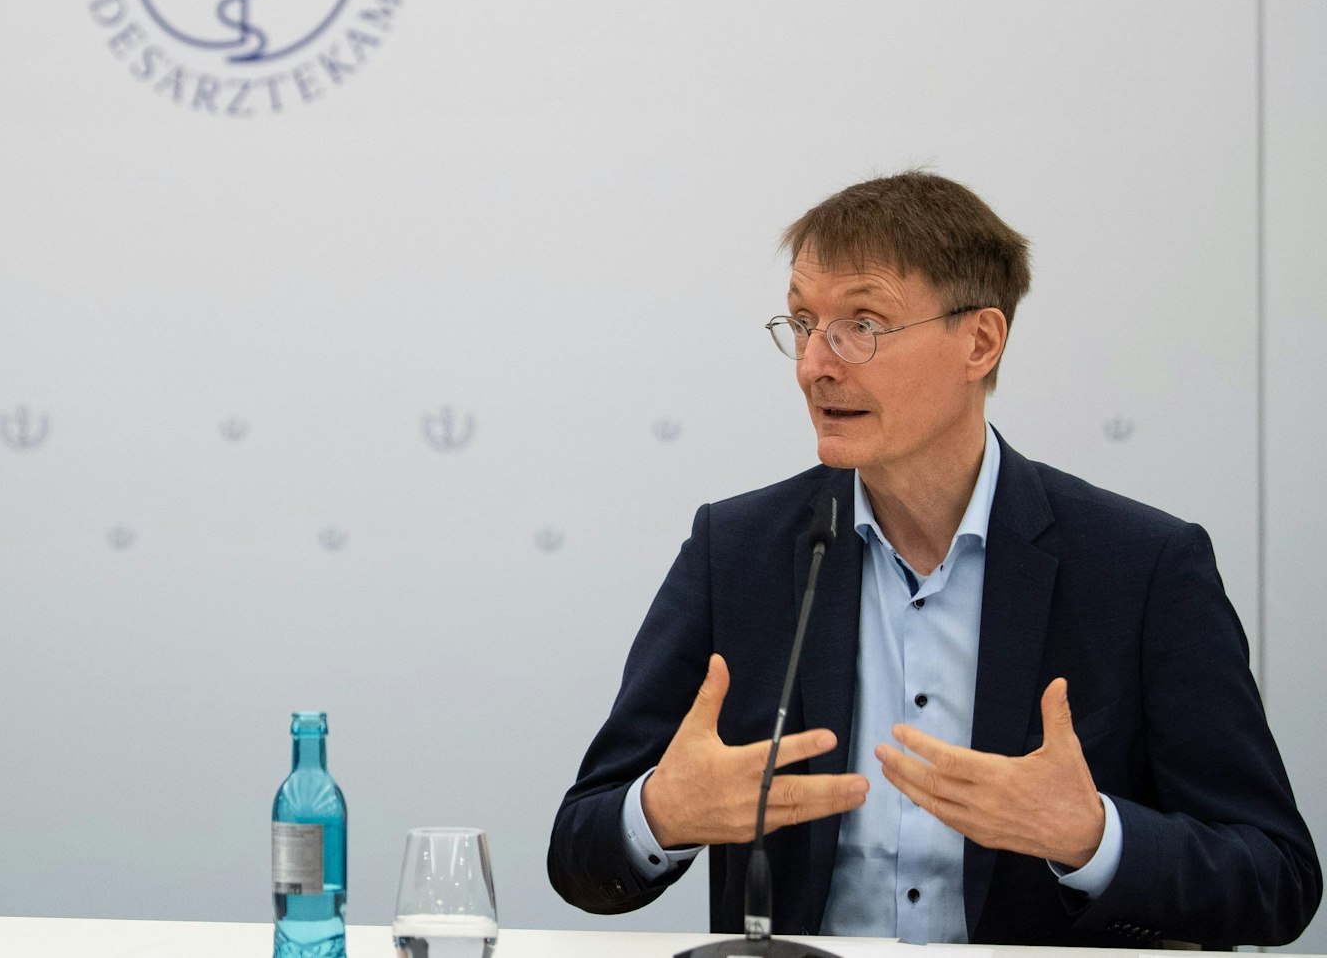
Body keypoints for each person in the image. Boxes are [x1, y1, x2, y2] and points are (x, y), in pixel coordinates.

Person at [547, 172, 1318, 947]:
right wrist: (659, 816)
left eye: (862, 324)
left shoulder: (1143, 568)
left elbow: (1275, 878)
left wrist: (1093, 839)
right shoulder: (737, 551)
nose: (815, 363)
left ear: (979, 341)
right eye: (804, 322)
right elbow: (579, 854)